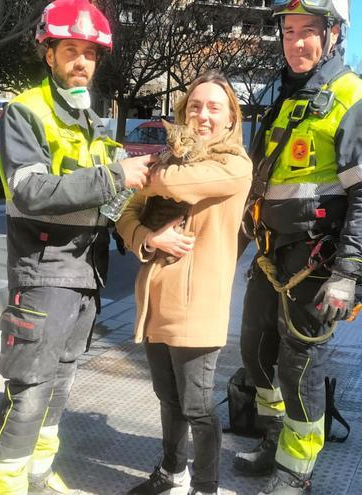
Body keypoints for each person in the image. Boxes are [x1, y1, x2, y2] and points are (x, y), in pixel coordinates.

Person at [0, 1, 153, 493]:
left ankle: (38, 475)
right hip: (43, 270)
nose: (82, 62)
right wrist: (115, 175)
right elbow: (30, 191)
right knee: (31, 387)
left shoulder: (93, 121)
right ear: (49, 54)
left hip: (85, 271)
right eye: (71, 51)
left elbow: (112, 199)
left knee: (60, 382)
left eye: (90, 54)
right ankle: (5, 484)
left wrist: (145, 198)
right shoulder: (25, 111)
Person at [236, 0, 362, 493]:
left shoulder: (355, 98)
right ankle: (273, 435)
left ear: (332, 36)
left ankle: (295, 470)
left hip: (317, 261)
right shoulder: (288, 95)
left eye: (308, 31)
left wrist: (347, 273)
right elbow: (260, 183)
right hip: (269, 252)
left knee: (300, 364)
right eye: (288, 32)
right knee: (255, 350)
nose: (296, 42)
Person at [116, 71, 252, 495]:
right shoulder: (170, 157)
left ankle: (205, 486)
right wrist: (147, 237)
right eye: (194, 106)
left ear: (231, 119)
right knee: (169, 399)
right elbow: (124, 211)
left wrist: (136, 171)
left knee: (197, 405)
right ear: (182, 113)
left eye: (214, 107)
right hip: (155, 302)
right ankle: (172, 472)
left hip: (198, 306)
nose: (203, 115)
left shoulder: (234, 166)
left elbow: (173, 183)